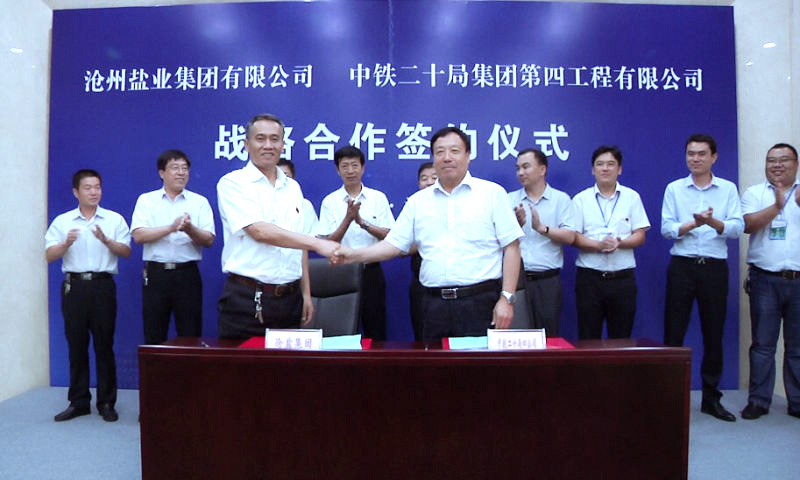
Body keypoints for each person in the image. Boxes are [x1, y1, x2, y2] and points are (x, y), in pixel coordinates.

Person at [331, 126, 522, 342]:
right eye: (440, 152)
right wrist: (352, 255)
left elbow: (512, 246)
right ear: (433, 158)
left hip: (479, 302)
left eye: (454, 151)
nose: (447, 157)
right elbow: (393, 245)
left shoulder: (491, 194)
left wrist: (507, 298)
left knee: (477, 364)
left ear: (468, 155)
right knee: (432, 363)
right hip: (433, 305)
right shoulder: (418, 202)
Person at [216, 113, 339, 339]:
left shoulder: (293, 188)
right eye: (260, 138)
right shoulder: (233, 183)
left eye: (275, 139)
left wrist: (306, 294)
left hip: (290, 300)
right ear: (247, 144)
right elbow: (259, 231)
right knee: (243, 363)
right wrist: (317, 244)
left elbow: (298, 244)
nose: (268, 145)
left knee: (288, 363)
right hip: (247, 300)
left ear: (283, 145)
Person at [661, 133, 744, 422]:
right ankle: (670, 398)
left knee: (713, 333)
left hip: (714, 268)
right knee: (674, 334)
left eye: (701, 154)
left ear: (714, 157)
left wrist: (712, 222)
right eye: (690, 154)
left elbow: (737, 227)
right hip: (682, 266)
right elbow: (666, 229)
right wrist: (692, 224)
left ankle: (711, 399)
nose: (695, 159)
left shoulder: (727, 189)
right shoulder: (674, 188)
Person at [45, 169, 131, 422]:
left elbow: (126, 252)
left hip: (103, 286)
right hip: (74, 287)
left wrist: (106, 240)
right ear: (76, 192)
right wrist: (65, 244)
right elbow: (49, 255)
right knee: (76, 345)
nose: (94, 192)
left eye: (97, 187)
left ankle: (107, 402)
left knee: (104, 345)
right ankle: (79, 401)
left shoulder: (113, 219)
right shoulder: (63, 221)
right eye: (88, 188)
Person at [739, 143, 800, 420]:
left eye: (783, 160)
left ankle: (796, 402)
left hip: (798, 280)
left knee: (797, 347)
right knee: (762, 345)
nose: (777, 165)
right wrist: (777, 206)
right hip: (765, 279)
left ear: (795, 164)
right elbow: (748, 225)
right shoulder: (755, 193)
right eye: (771, 160)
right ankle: (759, 401)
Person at [130, 149, 215, 345]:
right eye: (175, 168)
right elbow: (139, 235)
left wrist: (189, 229)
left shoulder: (199, 202)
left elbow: (209, 240)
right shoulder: (147, 200)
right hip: (156, 274)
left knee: (190, 333)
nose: (181, 173)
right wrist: (171, 228)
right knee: (154, 333)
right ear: (162, 173)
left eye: (185, 168)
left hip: (187, 275)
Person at [572, 145, 650, 339]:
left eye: (610, 164)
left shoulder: (632, 197)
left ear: (619, 169)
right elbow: (574, 237)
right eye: (600, 164)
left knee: (621, 338)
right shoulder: (580, 199)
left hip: (622, 279)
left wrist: (619, 243)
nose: (605, 168)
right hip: (590, 279)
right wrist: (598, 245)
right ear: (593, 170)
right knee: (588, 338)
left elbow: (640, 235)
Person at [319, 145, 395, 340]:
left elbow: (390, 236)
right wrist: (348, 219)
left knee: (375, 329)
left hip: (371, 272)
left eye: (355, 165)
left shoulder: (378, 198)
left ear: (363, 168)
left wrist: (362, 223)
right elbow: (327, 243)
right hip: (340, 272)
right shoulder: (330, 201)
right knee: (340, 331)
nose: (350, 171)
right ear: (338, 170)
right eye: (345, 166)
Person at [508, 148, 577, 336]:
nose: (520, 172)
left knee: (548, 338)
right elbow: (498, 240)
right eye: (518, 168)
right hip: (516, 281)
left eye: (526, 167)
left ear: (542, 169)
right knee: (517, 338)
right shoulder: (509, 199)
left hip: (547, 281)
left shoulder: (561, 200)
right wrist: (516, 226)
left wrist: (542, 228)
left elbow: (570, 237)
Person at [409, 161, 437, 340]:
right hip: (422, 282)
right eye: (424, 179)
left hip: (456, 287)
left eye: (434, 178)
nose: (429, 182)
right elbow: (401, 247)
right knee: (423, 337)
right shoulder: (414, 207)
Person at [278, 158, 319, 236]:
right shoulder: (265, 203)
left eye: (286, 175)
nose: (282, 180)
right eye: (277, 176)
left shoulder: (305, 205)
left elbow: (314, 233)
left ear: (293, 177)